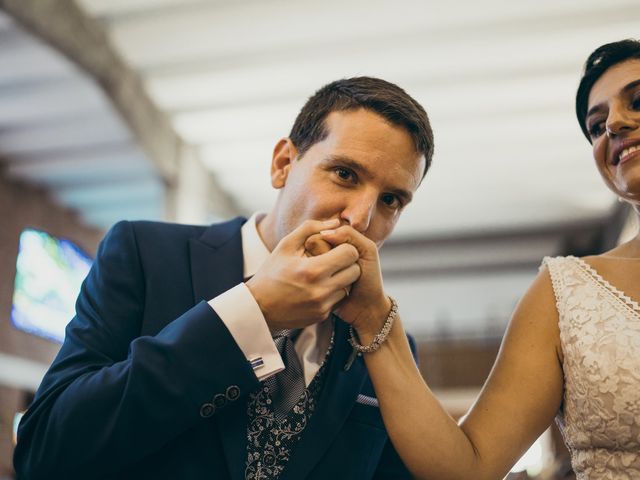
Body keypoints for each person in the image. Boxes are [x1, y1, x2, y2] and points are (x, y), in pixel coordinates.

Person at [12, 76, 434, 479]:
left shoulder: (387, 347)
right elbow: (45, 450)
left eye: (390, 199)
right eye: (345, 174)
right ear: (283, 164)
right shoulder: (145, 254)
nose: (360, 218)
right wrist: (254, 313)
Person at [336, 39, 640, 479]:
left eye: (637, 100)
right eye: (596, 125)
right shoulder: (568, 295)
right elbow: (466, 467)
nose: (613, 123)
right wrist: (371, 313)